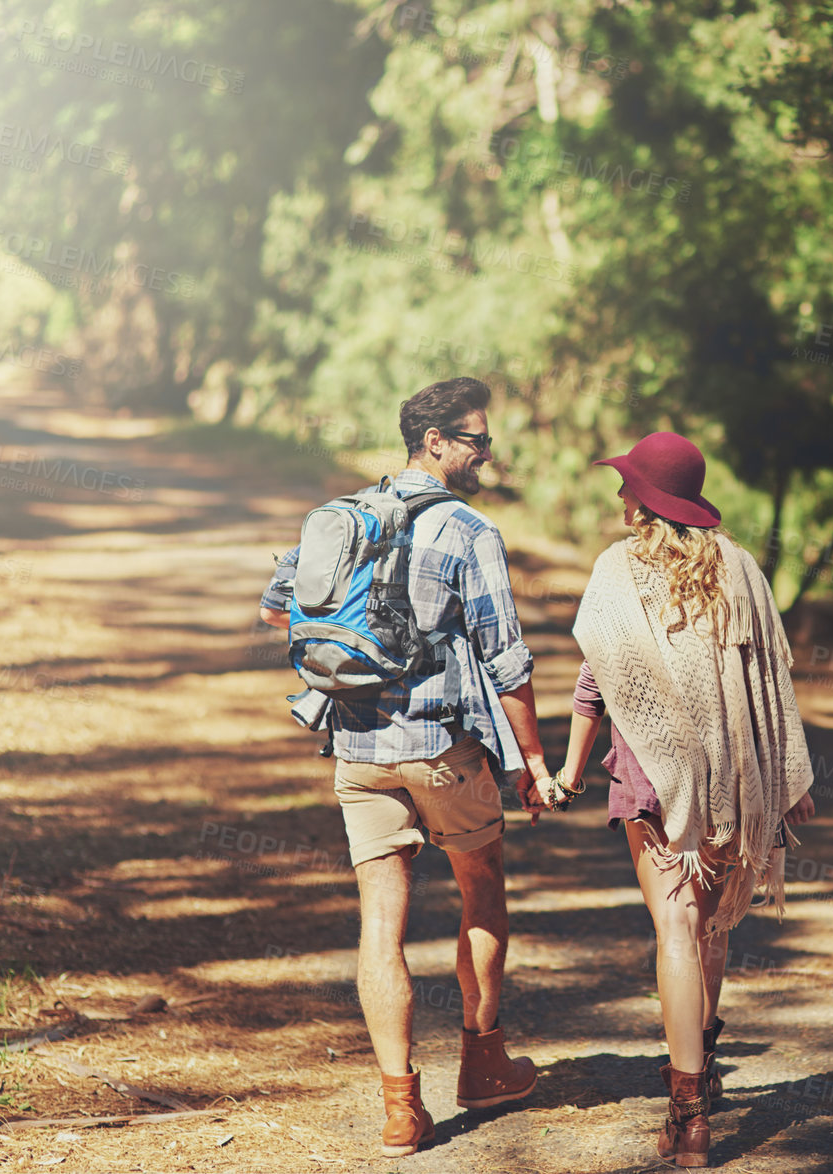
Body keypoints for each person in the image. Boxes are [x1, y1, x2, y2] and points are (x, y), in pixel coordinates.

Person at [257, 378, 551, 1157]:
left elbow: (275, 607)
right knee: (481, 886)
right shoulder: (469, 529)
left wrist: (362, 652)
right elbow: (508, 658)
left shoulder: (345, 515)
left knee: (380, 925)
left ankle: (399, 1109)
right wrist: (534, 761)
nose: (487, 453)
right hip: (442, 751)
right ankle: (484, 1062)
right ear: (437, 443)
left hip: (356, 751)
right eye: (477, 440)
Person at [544, 431, 815, 1168]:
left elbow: (596, 681)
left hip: (653, 770)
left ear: (644, 501)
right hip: (736, 771)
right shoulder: (744, 568)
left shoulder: (617, 569)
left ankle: (689, 1114)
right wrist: (788, 776)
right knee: (714, 928)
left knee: (675, 924)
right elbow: (772, 681)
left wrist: (567, 773)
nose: (619, 496)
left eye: (627, 485)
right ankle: (705, 1063)